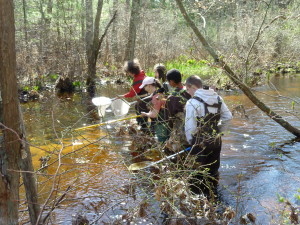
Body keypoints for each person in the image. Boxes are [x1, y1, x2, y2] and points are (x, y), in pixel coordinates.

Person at [184, 75, 232, 196]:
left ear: (191, 87)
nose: (187, 92)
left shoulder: (192, 102)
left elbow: (190, 127)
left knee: (195, 175)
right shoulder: (218, 98)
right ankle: (214, 199)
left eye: (187, 89)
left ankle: (198, 202)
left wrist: (191, 142)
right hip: (216, 141)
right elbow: (228, 117)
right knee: (213, 172)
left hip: (199, 143)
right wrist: (219, 131)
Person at [119, 59, 151, 133]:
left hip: (143, 102)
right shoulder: (142, 74)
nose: (128, 74)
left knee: (142, 120)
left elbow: (132, 93)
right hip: (148, 99)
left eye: (128, 72)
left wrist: (122, 96)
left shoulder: (138, 80)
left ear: (132, 71)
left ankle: (144, 134)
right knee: (146, 117)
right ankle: (147, 132)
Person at [139, 77, 169, 143]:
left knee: (161, 141)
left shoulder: (156, 97)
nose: (144, 89)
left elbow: (154, 115)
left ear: (149, 86)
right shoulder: (160, 92)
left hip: (161, 123)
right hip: (167, 120)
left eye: (144, 87)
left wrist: (145, 114)